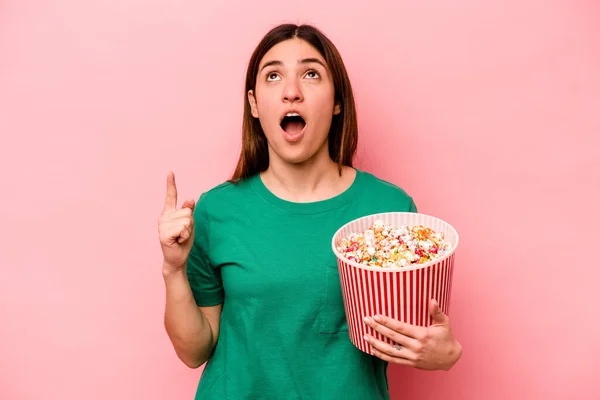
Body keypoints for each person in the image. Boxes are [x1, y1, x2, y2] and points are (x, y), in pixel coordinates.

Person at [158, 23, 462, 400]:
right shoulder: (216, 211)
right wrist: (173, 269)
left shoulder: (390, 211)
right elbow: (194, 351)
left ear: (337, 101)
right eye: (273, 76)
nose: (291, 92)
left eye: (311, 74)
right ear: (254, 104)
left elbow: (415, 331)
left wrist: (444, 353)